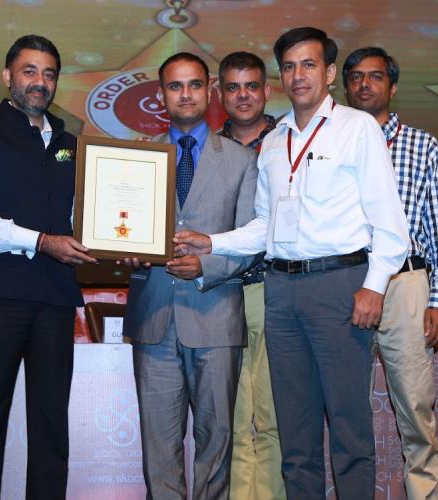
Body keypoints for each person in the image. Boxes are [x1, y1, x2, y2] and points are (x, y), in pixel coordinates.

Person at [175, 27, 410, 498]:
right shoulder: (276, 140)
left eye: (309, 65)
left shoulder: (357, 128)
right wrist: (212, 243)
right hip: (281, 292)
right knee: (296, 432)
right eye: (289, 66)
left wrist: (375, 285)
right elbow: (266, 225)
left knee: (349, 429)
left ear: (327, 73)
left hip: (340, 286)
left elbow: (390, 223)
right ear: (280, 77)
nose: (298, 75)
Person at [0, 34, 96, 500]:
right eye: (29, 71)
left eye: (49, 73)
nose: (39, 82)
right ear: (7, 75)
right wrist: (40, 241)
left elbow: (82, 218)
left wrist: (125, 240)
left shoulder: (73, 143)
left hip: (54, 300)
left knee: (52, 428)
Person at [122, 52, 259, 500]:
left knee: (216, 445)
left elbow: (252, 238)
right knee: (158, 450)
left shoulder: (241, 161)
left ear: (209, 91)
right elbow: (117, 233)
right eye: (175, 86)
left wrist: (209, 265)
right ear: (161, 95)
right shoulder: (136, 159)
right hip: (154, 317)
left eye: (194, 85)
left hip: (216, 314)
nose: (185, 94)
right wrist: (128, 252)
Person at [342, 46, 438, 500]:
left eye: (375, 77)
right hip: (345, 281)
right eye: (355, 77)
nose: (364, 85)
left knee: (414, 409)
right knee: (343, 406)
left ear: (392, 86)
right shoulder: (331, 143)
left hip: (405, 284)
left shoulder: (422, 144)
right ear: (344, 85)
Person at [215, 51, 285, 500]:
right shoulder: (206, 149)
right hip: (220, 294)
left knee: (276, 415)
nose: (243, 96)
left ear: (266, 90)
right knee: (234, 417)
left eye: (252, 86)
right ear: (219, 95)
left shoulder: (288, 142)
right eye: (233, 87)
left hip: (277, 289)